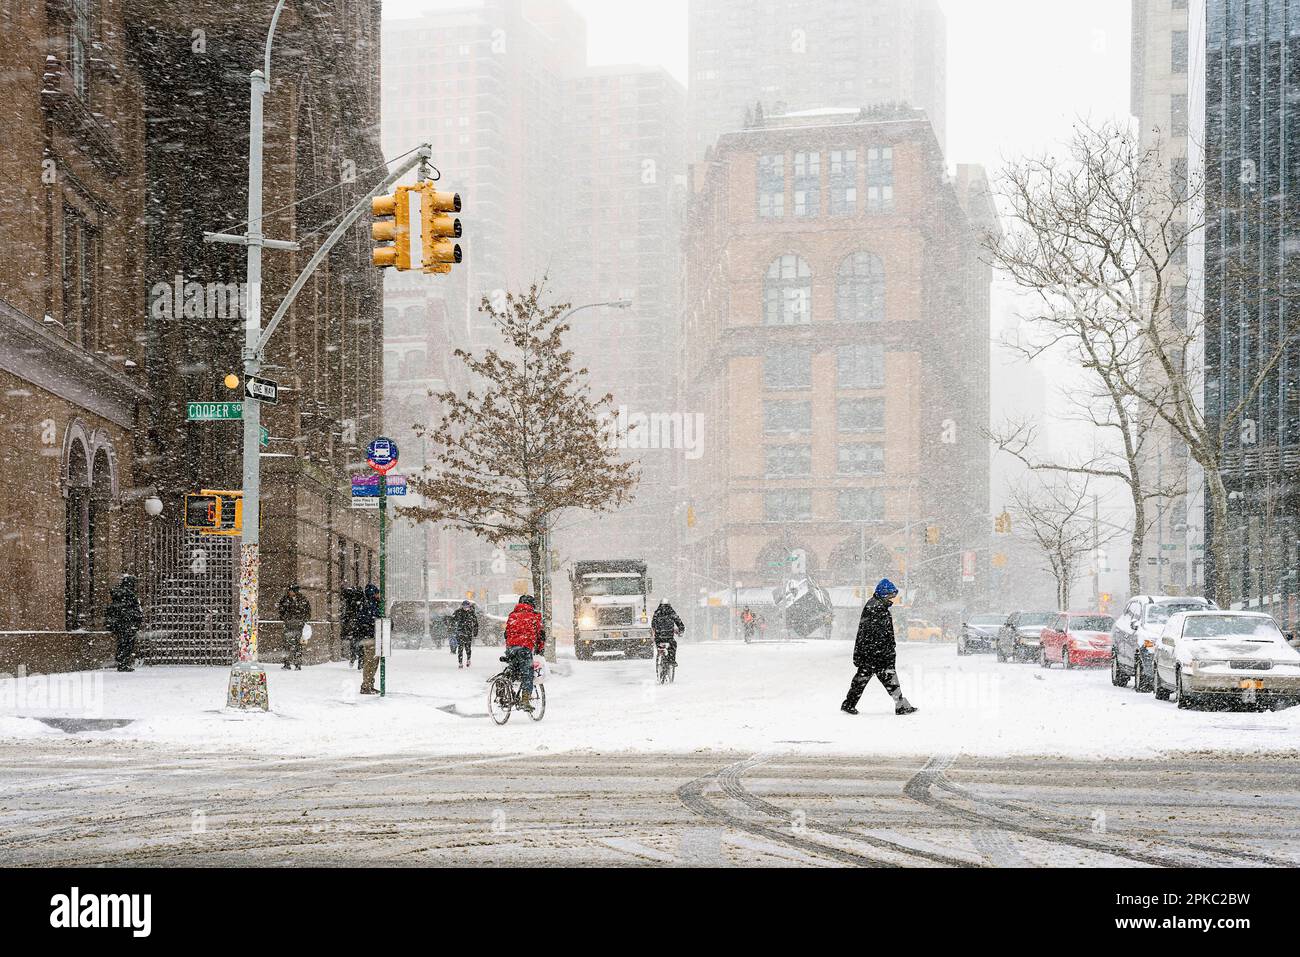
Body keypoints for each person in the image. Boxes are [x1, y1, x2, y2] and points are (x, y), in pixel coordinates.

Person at [841, 578, 917, 716]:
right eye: (890, 595)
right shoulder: (877, 608)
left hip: (871, 652)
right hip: (876, 653)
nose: (892, 599)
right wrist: (886, 651)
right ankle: (900, 706)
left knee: (865, 678)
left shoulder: (875, 606)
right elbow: (879, 634)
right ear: (884, 594)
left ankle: (849, 704)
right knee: (887, 678)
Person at [504, 595, 544, 712]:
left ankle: (505, 690)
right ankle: (525, 700)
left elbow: (506, 633)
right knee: (528, 674)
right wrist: (539, 648)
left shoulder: (512, 615)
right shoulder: (534, 616)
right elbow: (540, 635)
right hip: (524, 648)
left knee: (513, 671)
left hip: (511, 648)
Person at [105, 574, 143, 672]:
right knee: (127, 643)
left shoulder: (117, 593)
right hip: (127, 623)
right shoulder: (130, 595)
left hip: (119, 623)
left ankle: (121, 661)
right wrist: (136, 619)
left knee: (122, 643)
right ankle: (123, 663)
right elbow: (135, 610)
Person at [277, 583, 311, 671]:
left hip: (299, 625)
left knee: (298, 645)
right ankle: (287, 663)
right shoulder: (285, 599)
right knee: (286, 645)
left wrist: (303, 620)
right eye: (289, 591)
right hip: (288, 625)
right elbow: (281, 610)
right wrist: (285, 618)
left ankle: (297, 664)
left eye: (291, 591)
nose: (290, 592)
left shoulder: (302, 600)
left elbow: (308, 611)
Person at [357, 583, 382, 695]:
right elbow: (369, 620)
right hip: (370, 637)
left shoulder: (373, 604)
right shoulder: (369, 605)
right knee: (370, 662)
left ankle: (369, 684)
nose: (379, 595)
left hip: (373, 636)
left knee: (373, 662)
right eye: (377, 593)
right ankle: (366, 686)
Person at [651, 600, 685, 665]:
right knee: (673, 646)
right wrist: (681, 630)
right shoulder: (671, 612)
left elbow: (653, 624)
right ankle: (671, 660)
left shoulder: (657, 613)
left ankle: (660, 658)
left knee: (659, 647)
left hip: (659, 637)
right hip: (669, 637)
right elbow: (679, 622)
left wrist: (656, 631)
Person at [341, 586, 363, 669]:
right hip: (359, 625)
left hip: (353, 625)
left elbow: (346, 615)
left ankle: (353, 658)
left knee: (353, 643)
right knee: (359, 644)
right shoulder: (360, 599)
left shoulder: (349, 601)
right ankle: (359, 661)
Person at [452, 599, 479, 668]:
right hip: (460, 632)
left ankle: (468, 659)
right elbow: (453, 620)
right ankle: (460, 662)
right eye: (464, 606)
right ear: (462, 606)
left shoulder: (471, 613)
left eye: (467, 606)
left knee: (468, 647)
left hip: (468, 632)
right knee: (460, 648)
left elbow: (475, 623)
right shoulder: (458, 612)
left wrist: (475, 631)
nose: (466, 608)